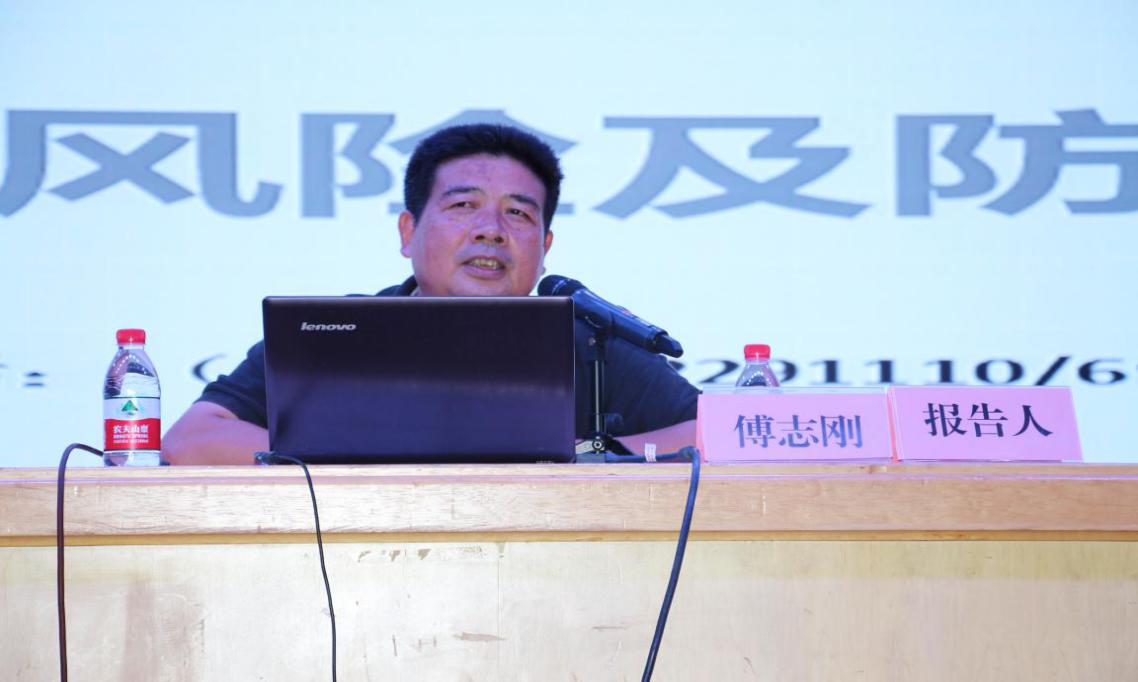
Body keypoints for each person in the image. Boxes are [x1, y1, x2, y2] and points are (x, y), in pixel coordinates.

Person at [163, 124, 698, 465]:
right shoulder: (334, 334)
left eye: (517, 213)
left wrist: (595, 456)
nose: (491, 230)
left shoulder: (588, 344)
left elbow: (720, 432)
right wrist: (361, 455)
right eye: (463, 206)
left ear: (545, 247)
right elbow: (192, 441)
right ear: (407, 232)